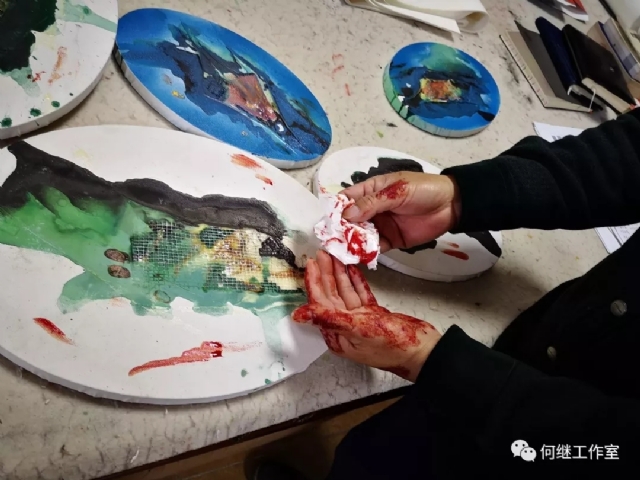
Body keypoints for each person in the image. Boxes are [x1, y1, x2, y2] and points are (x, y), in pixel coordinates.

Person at [251, 110, 640, 480]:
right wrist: (462, 196)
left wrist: (432, 361)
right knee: (383, 455)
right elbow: (628, 152)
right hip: (514, 359)